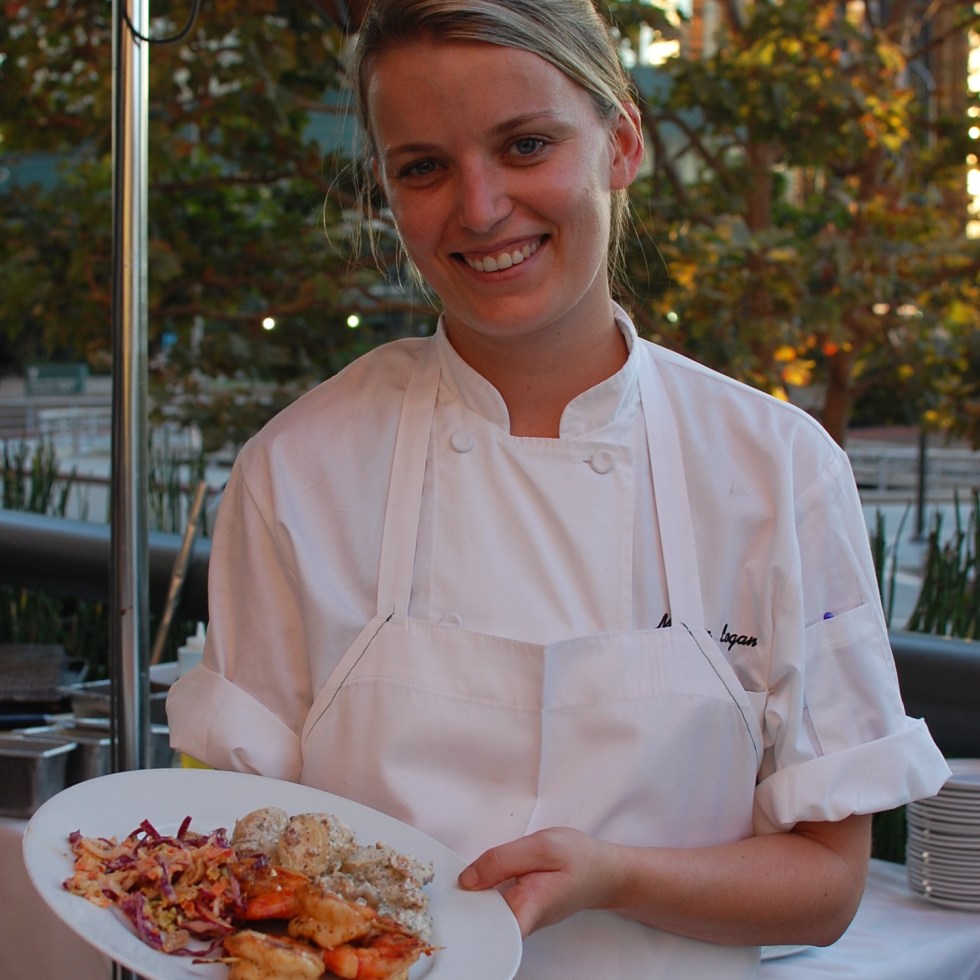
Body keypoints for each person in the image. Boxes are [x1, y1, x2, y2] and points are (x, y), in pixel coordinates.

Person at [167, 1, 951, 975]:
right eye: (424, 167)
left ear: (620, 143)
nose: (480, 206)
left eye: (525, 145)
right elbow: (241, 852)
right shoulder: (296, 471)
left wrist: (613, 875)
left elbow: (827, 883)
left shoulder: (777, 469)